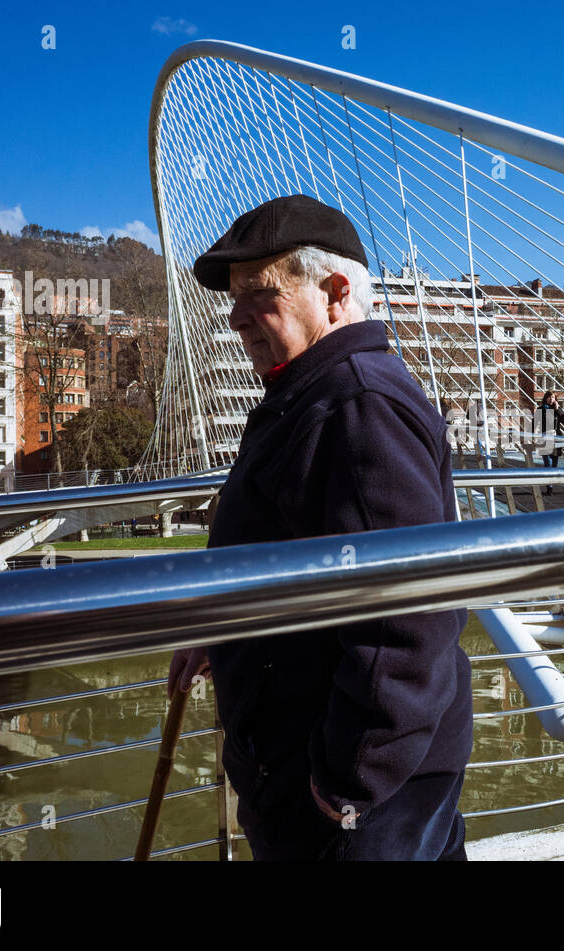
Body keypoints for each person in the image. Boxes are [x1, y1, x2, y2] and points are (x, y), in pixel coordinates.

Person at [166, 195, 472, 861]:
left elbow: (408, 616)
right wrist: (222, 629)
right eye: (235, 296)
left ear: (336, 294)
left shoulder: (357, 404)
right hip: (336, 784)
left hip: (360, 804)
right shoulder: (309, 394)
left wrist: (344, 783)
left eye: (261, 293)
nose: (236, 315)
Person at [533, 391, 564, 496]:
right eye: (549, 397)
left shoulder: (557, 410)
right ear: (545, 398)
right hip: (544, 438)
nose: (551, 399)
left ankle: (551, 484)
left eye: (553, 397)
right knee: (547, 463)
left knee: (554, 463)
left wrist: (558, 409)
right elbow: (534, 423)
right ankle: (549, 487)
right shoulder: (540, 410)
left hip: (556, 438)